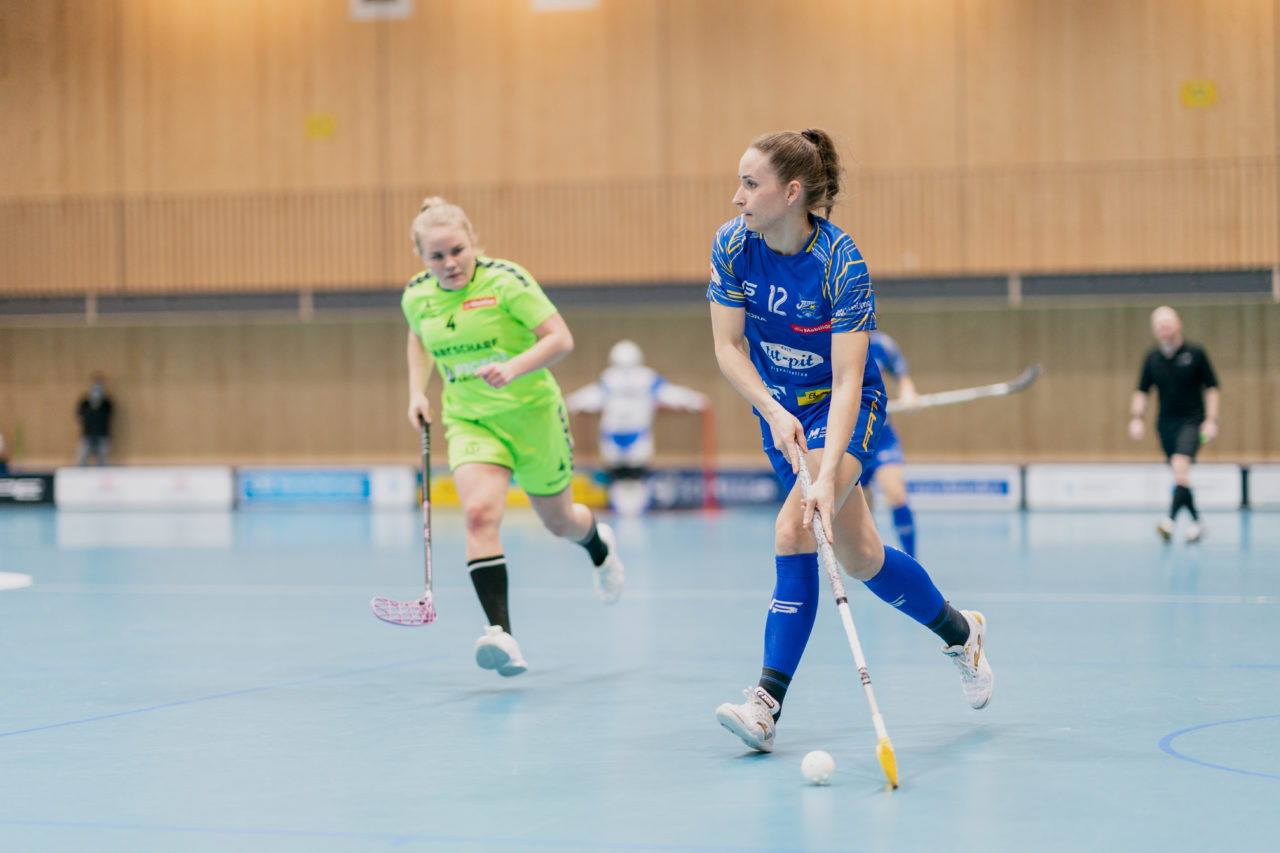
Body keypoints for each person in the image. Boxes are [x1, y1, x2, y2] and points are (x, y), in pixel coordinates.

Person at [706, 128, 993, 753]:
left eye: (750, 185)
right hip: (780, 413)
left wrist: (827, 470)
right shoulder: (733, 245)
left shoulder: (842, 263)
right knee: (862, 555)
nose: (737, 197)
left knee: (793, 529)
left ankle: (765, 705)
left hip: (845, 409)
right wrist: (770, 410)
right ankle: (960, 631)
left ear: (792, 191)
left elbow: (845, 380)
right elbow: (728, 347)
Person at [402, 196, 626, 678]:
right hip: (469, 420)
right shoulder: (417, 295)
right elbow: (418, 337)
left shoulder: (506, 281)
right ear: (421, 258)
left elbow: (559, 338)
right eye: (436, 256)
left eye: (457, 250)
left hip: (532, 416)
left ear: (472, 242)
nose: (449, 263)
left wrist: (513, 367)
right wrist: (417, 393)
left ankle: (598, 546)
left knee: (560, 521)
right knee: (479, 513)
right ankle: (501, 636)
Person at [565, 339, 709, 515]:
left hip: (636, 433)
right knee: (617, 472)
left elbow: (669, 393)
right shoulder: (611, 378)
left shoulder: (644, 378)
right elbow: (592, 395)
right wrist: (572, 402)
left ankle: (634, 505)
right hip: (614, 434)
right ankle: (619, 504)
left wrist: (692, 399)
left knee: (636, 472)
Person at [1129, 306, 1220, 543]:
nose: (1164, 329)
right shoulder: (1152, 358)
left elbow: (1212, 388)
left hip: (1192, 422)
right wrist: (1136, 418)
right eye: (1159, 325)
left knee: (1180, 466)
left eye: (1167, 324)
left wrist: (1211, 420)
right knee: (1180, 475)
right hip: (1165, 424)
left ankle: (1168, 521)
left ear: (1178, 325)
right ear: (1154, 330)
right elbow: (1142, 391)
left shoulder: (1195, 353)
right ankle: (1197, 523)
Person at [859, 331, 921, 557]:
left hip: (882, 435)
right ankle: (870, 557)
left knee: (896, 494)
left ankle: (913, 559)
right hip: (851, 438)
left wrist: (908, 393)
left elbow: (902, 377)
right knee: (862, 506)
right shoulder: (830, 341)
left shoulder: (882, 344)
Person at [75, 374, 113, 466]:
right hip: (87, 434)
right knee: (82, 459)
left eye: (99, 385)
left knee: (102, 460)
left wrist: (97, 404)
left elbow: (107, 417)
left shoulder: (106, 404)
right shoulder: (85, 403)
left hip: (102, 435)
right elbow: (79, 415)